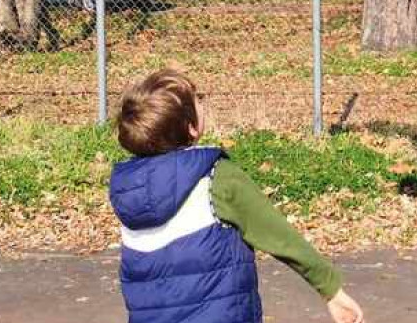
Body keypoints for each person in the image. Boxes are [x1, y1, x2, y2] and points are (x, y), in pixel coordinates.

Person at [110, 68, 365, 323]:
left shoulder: (127, 191)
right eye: (198, 100)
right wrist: (331, 290)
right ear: (190, 127)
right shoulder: (216, 179)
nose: (203, 104)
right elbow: (280, 237)